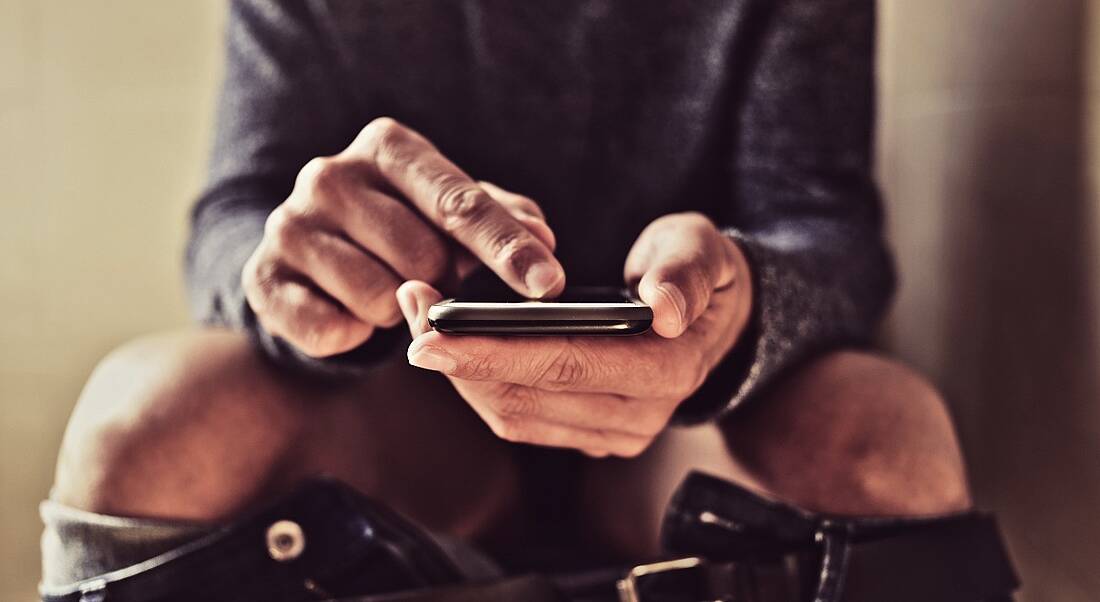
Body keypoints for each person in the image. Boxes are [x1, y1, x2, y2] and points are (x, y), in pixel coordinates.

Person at [42, 0, 974, 594]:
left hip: (680, 434)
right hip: (394, 413)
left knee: (887, 443)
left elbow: (830, 231)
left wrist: (739, 304)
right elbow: (234, 221)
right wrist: (298, 279)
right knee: (149, 421)